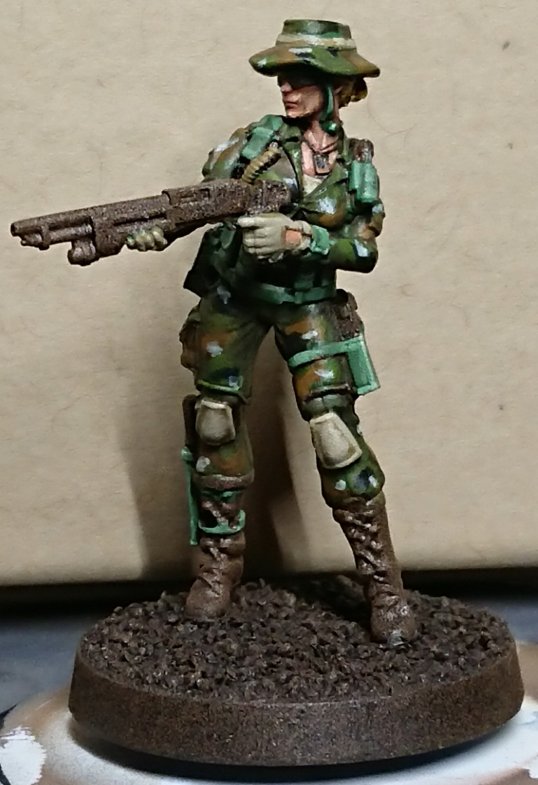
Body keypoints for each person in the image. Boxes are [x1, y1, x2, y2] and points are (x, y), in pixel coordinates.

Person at [127, 19, 416, 646]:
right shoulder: (251, 144)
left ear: (336, 88)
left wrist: (302, 237)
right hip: (236, 298)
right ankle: (218, 564)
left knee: (336, 437)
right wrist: (155, 230)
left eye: (300, 77)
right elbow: (199, 204)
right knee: (213, 422)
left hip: (308, 302)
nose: (286, 87)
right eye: (282, 76)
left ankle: (382, 582)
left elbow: (364, 250)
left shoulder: (355, 166)